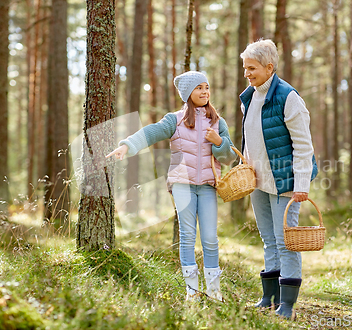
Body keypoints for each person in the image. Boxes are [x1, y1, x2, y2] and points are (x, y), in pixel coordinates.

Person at [106, 71, 237, 301]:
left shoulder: (218, 122)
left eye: (207, 87)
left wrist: (219, 143)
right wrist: (127, 145)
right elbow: (150, 132)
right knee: (187, 236)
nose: (205, 92)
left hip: (208, 186)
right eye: (199, 88)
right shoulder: (174, 120)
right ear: (188, 93)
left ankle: (215, 292)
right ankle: (192, 292)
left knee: (209, 238)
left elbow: (229, 158)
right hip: (182, 185)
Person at [238, 39, 318, 319]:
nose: (247, 73)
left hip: (285, 182)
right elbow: (250, 140)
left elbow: (303, 145)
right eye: (245, 68)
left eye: (252, 68)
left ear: (269, 67)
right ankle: (269, 298)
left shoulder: (288, 97)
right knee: (268, 239)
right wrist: (242, 168)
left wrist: (302, 186)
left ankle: (287, 305)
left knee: (286, 241)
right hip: (257, 181)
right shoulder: (249, 96)